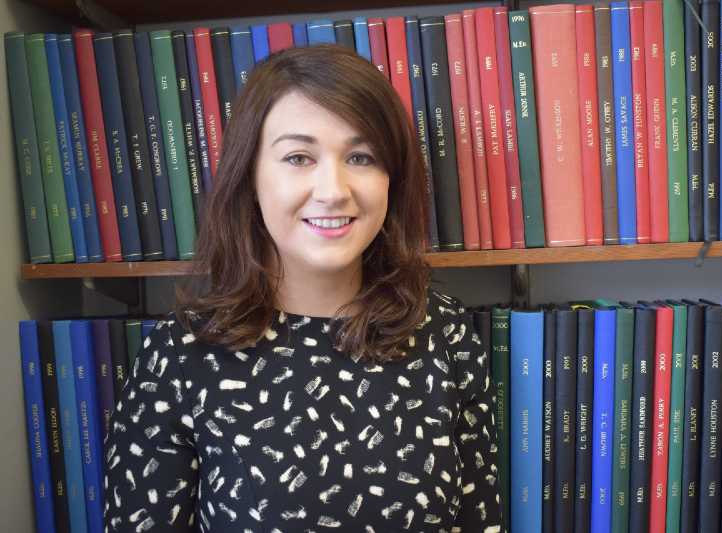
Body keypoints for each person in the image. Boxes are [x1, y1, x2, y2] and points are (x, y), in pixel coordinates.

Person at [103, 43, 503, 532]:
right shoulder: (180, 355)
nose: (333, 190)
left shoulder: (447, 335)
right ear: (249, 177)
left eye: (361, 156)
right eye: (298, 157)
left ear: (391, 179)